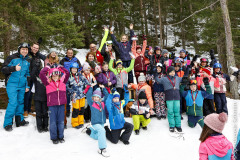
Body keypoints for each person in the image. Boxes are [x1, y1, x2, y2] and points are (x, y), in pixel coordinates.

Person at [1, 43, 31, 131]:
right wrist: (13, 68)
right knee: (13, 103)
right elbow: (3, 69)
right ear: (19, 49)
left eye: (26, 49)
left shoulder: (28, 60)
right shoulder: (12, 58)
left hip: (22, 86)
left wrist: (27, 85)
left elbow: (28, 74)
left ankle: (19, 120)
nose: (25, 51)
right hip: (12, 84)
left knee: (20, 103)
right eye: (23, 49)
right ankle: (7, 123)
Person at [39, 65, 70, 144]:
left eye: (57, 75)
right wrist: (48, 68)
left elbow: (67, 73)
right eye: (53, 75)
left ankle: (61, 136)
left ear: (59, 75)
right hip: (52, 106)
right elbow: (41, 74)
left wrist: (61, 68)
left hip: (61, 105)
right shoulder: (48, 83)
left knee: (61, 121)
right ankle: (54, 138)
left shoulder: (63, 82)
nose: (55, 76)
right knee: (53, 122)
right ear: (51, 76)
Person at [84, 85, 110, 157]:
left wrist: (104, 88)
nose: (96, 98)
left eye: (97, 97)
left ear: (100, 98)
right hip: (95, 122)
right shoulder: (92, 103)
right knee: (102, 131)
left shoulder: (102, 103)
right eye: (94, 97)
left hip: (101, 122)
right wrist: (91, 87)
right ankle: (102, 149)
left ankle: (89, 130)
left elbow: (107, 95)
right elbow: (88, 95)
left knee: (97, 136)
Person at [155, 66, 183, 133]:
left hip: (177, 97)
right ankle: (172, 126)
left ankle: (178, 125)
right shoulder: (164, 79)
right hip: (169, 97)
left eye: (173, 72)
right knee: (170, 112)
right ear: (168, 73)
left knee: (177, 111)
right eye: (171, 72)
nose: (172, 73)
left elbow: (184, 78)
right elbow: (157, 80)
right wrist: (155, 73)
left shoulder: (177, 78)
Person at [24, 42, 46, 117]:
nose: (35, 49)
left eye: (37, 48)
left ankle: (29, 109)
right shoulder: (28, 54)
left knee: (31, 94)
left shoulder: (38, 55)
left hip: (35, 77)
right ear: (31, 47)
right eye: (34, 47)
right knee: (27, 93)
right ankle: (25, 110)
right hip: (27, 76)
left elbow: (45, 60)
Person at [66, 62, 90, 129]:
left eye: (75, 69)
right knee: (76, 109)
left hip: (82, 95)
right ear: (71, 69)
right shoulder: (69, 77)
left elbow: (87, 83)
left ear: (77, 69)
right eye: (73, 69)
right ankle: (75, 123)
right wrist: (72, 92)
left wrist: (84, 90)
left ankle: (81, 122)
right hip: (75, 96)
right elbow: (67, 87)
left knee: (82, 109)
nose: (74, 70)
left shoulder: (80, 76)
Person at [30, 48, 48, 133]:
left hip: (45, 99)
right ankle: (39, 127)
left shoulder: (47, 80)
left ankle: (45, 126)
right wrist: (35, 66)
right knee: (38, 113)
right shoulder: (36, 79)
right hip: (37, 98)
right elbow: (32, 74)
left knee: (45, 113)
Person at [60, 48, 82, 117]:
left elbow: (80, 68)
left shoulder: (76, 60)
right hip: (66, 80)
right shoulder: (63, 60)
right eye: (69, 53)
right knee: (67, 96)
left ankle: (74, 110)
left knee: (74, 94)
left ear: (73, 53)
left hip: (74, 80)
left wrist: (77, 74)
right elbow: (60, 69)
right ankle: (68, 110)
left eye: (71, 53)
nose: (70, 54)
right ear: (66, 53)